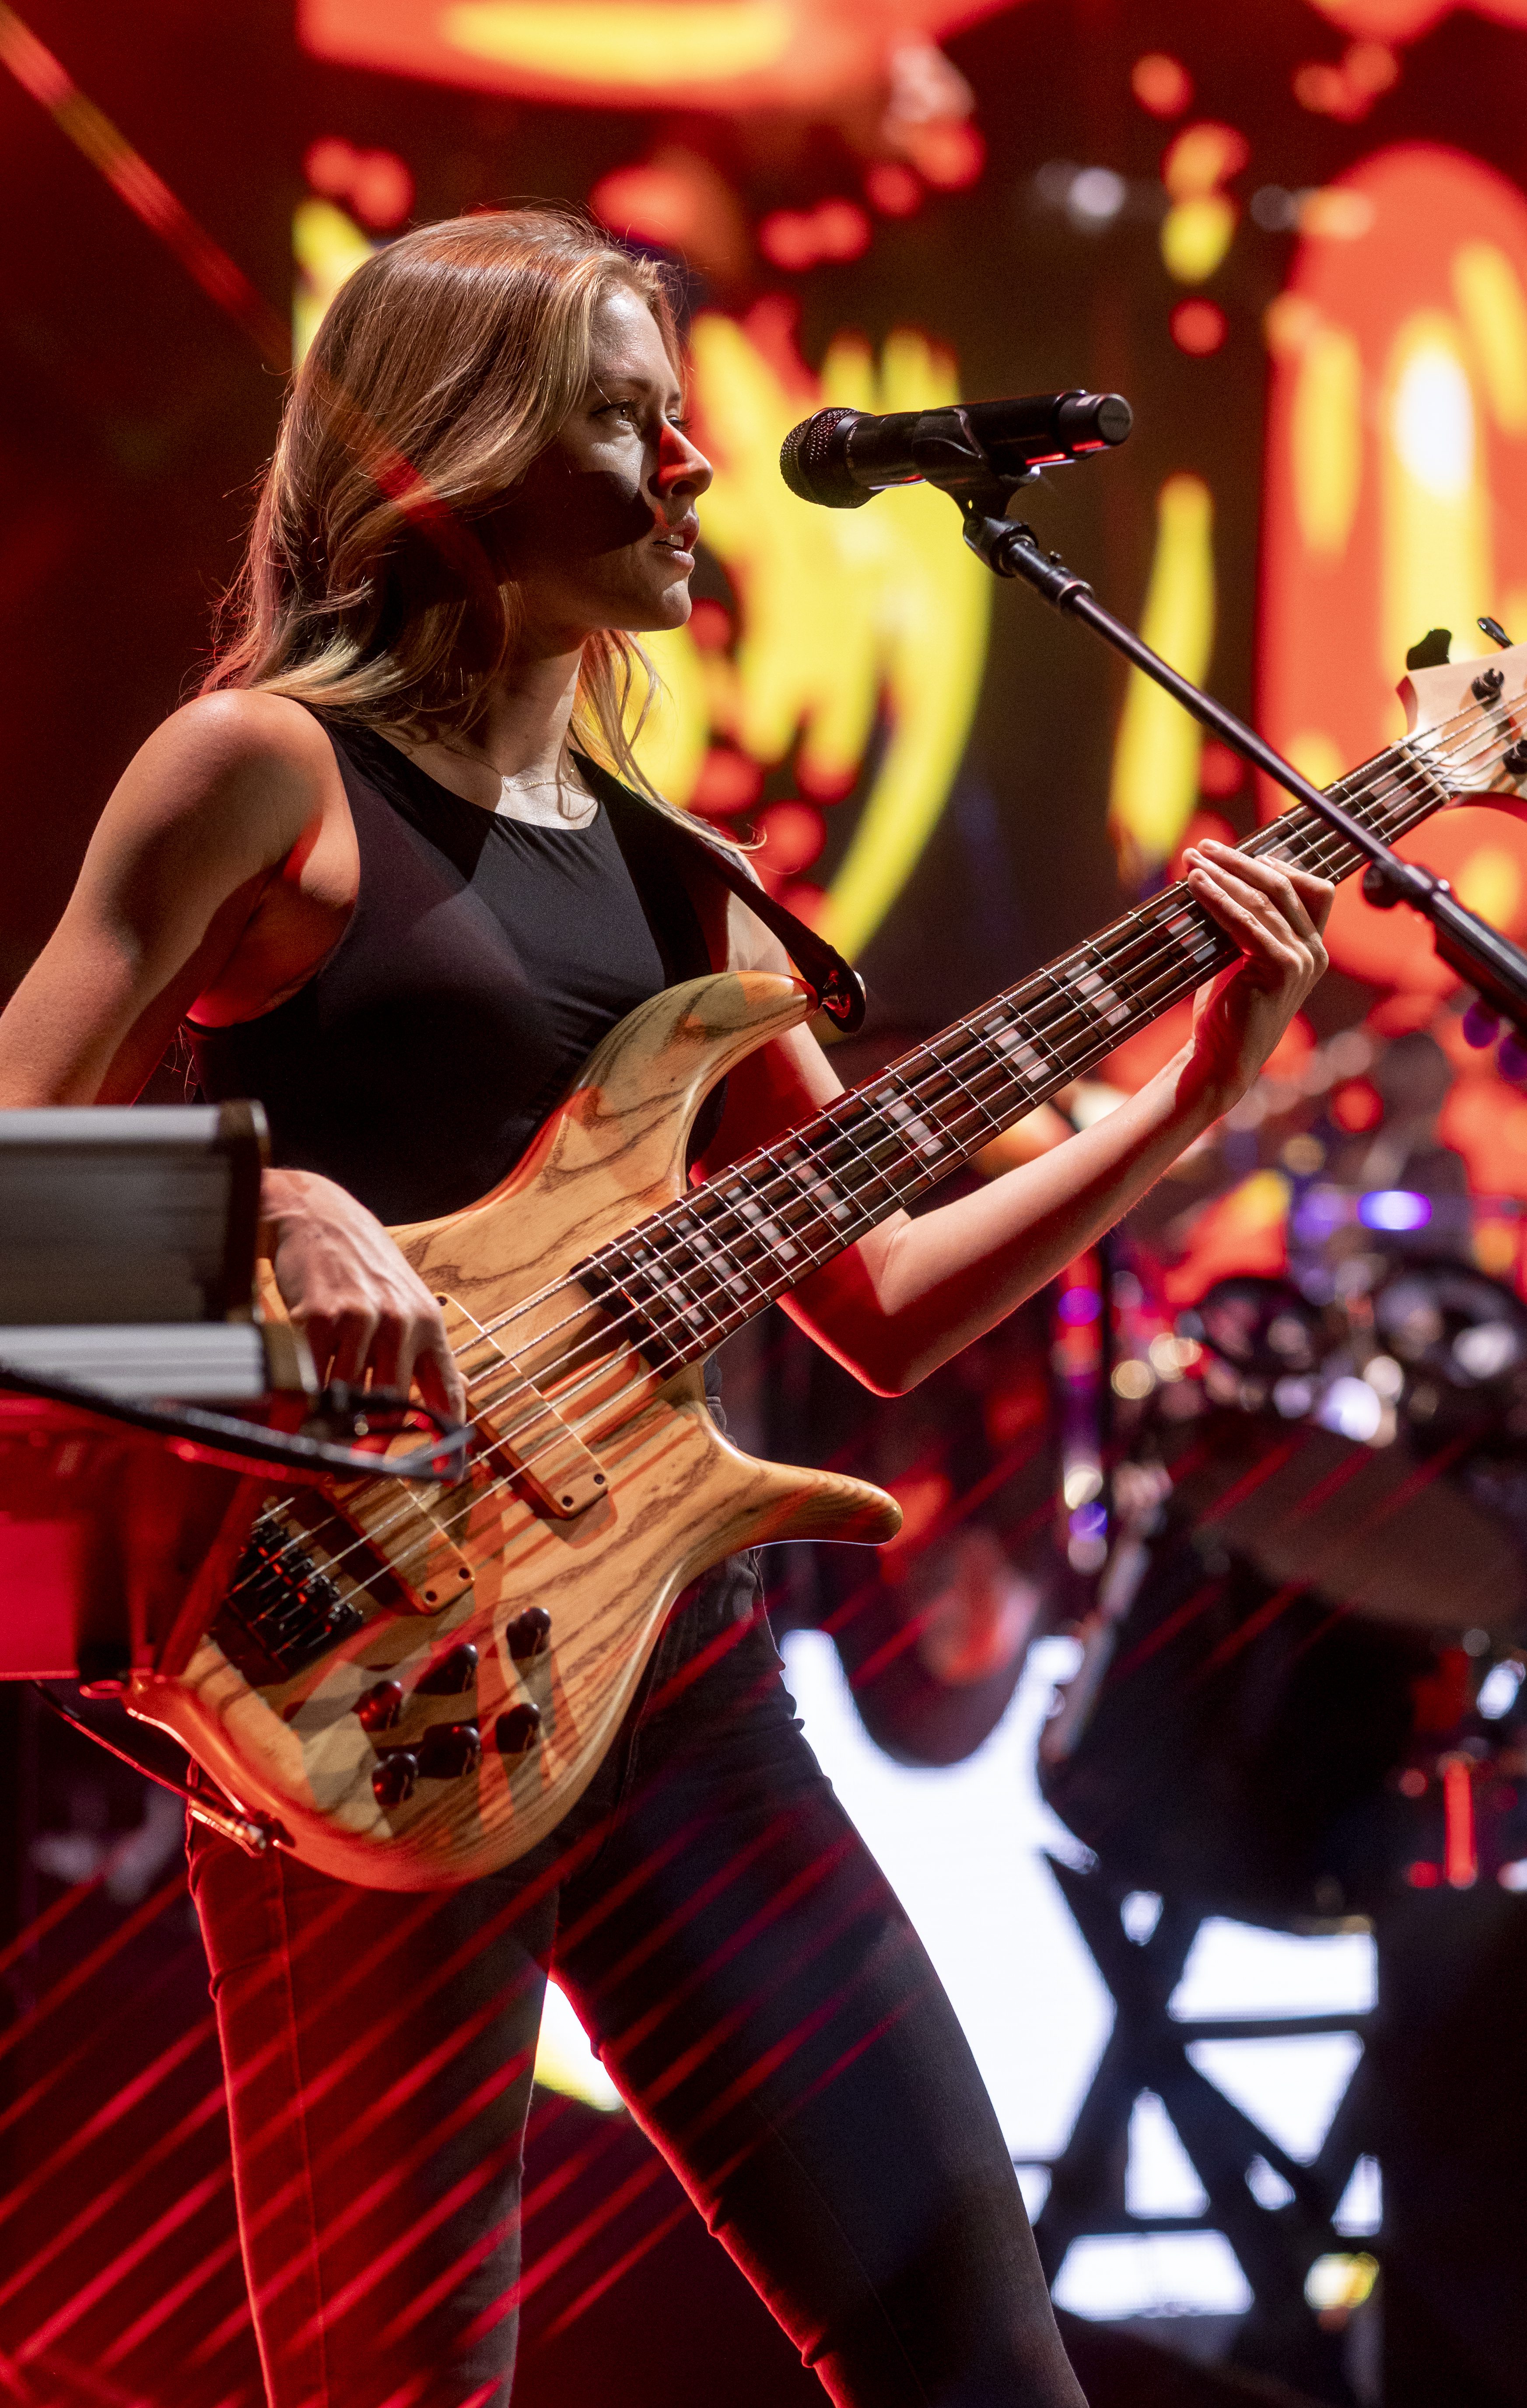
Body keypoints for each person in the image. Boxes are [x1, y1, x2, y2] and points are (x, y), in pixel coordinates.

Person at [0, 207, 1331, 2408]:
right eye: (633, 417)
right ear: (456, 454)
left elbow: (877, 1304)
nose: (701, 465)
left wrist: (1191, 1110)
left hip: (686, 1703)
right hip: (370, 1695)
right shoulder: (259, 771)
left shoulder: (685, 881)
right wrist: (270, 1210)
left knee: (978, 2366)